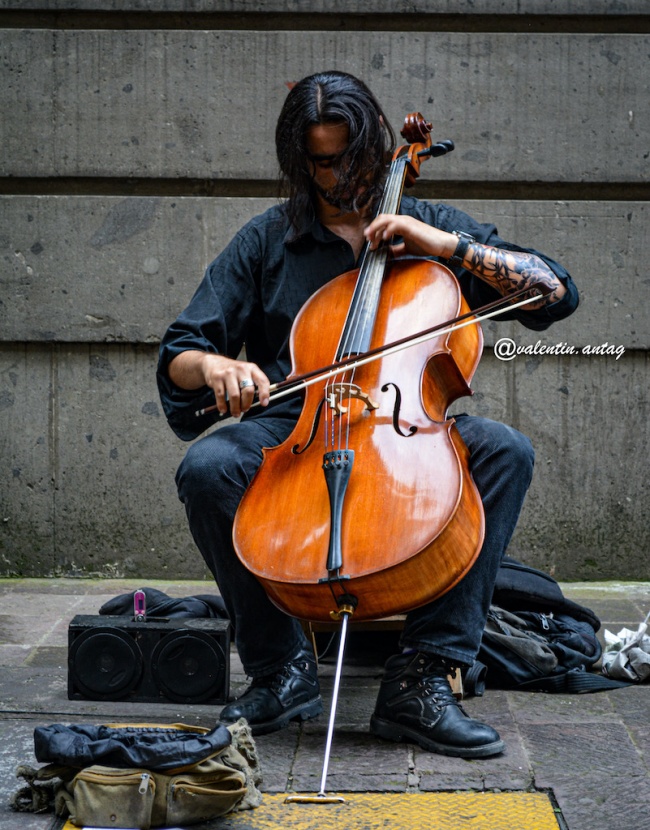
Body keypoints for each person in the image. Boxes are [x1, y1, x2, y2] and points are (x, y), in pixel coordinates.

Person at [157, 71, 578, 759]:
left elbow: (554, 291)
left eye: (352, 159)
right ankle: (280, 669)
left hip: (406, 420)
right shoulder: (268, 240)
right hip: (295, 423)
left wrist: (448, 248)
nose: (340, 177)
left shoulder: (431, 225)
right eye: (322, 163)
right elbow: (180, 351)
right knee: (207, 466)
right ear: (300, 161)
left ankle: (424, 677)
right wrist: (214, 368)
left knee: (506, 451)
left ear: (378, 148)